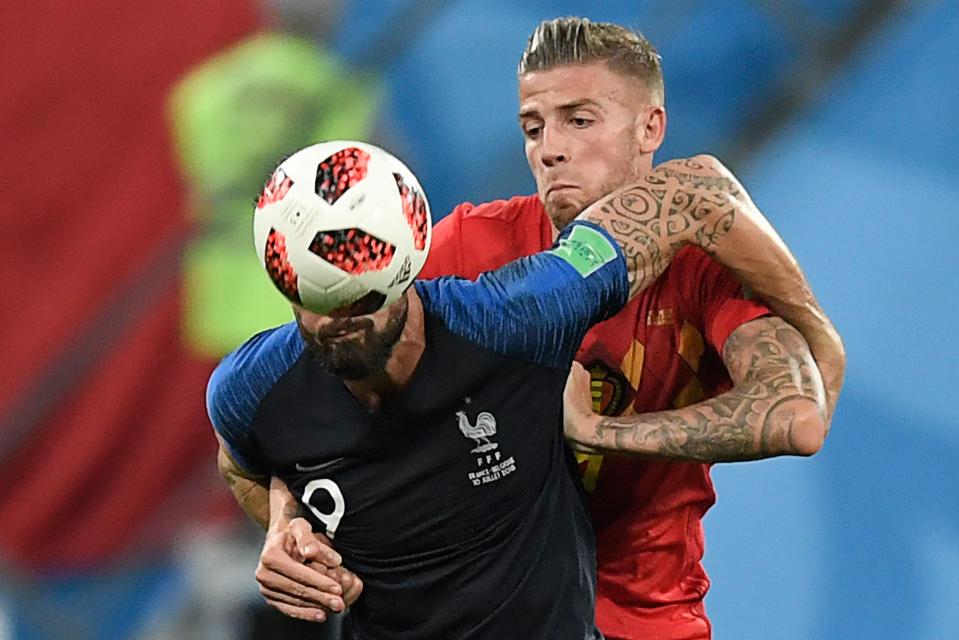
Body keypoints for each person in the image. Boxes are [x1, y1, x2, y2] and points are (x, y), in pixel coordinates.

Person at [241, 16, 846, 640]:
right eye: (533, 128)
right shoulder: (473, 247)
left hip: (643, 619)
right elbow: (310, 388)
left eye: (579, 120)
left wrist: (602, 433)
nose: (548, 148)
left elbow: (797, 415)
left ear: (651, 127)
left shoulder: (705, 267)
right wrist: (287, 519)